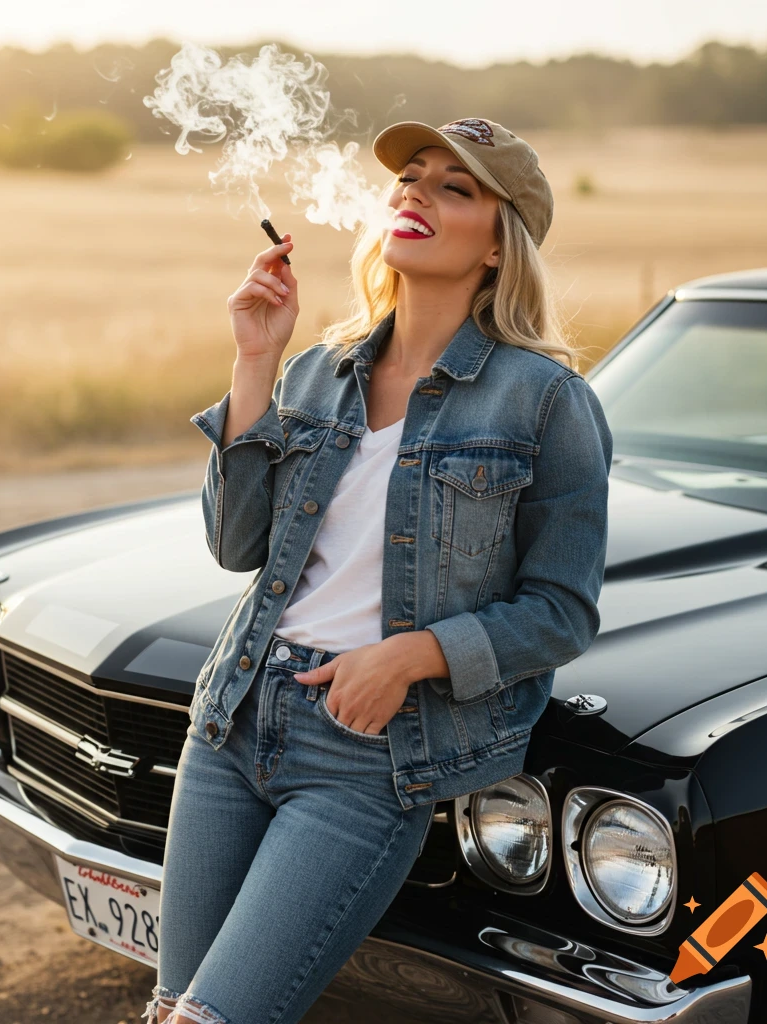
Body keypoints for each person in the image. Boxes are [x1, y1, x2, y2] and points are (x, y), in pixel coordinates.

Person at [144, 117, 613, 1024]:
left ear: (498, 243)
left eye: (454, 187)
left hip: (365, 753)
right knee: (171, 1010)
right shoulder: (320, 370)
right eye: (411, 178)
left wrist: (408, 658)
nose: (416, 193)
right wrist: (255, 362)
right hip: (234, 715)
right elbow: (237, 546)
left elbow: (561, 613)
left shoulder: (547, 401)